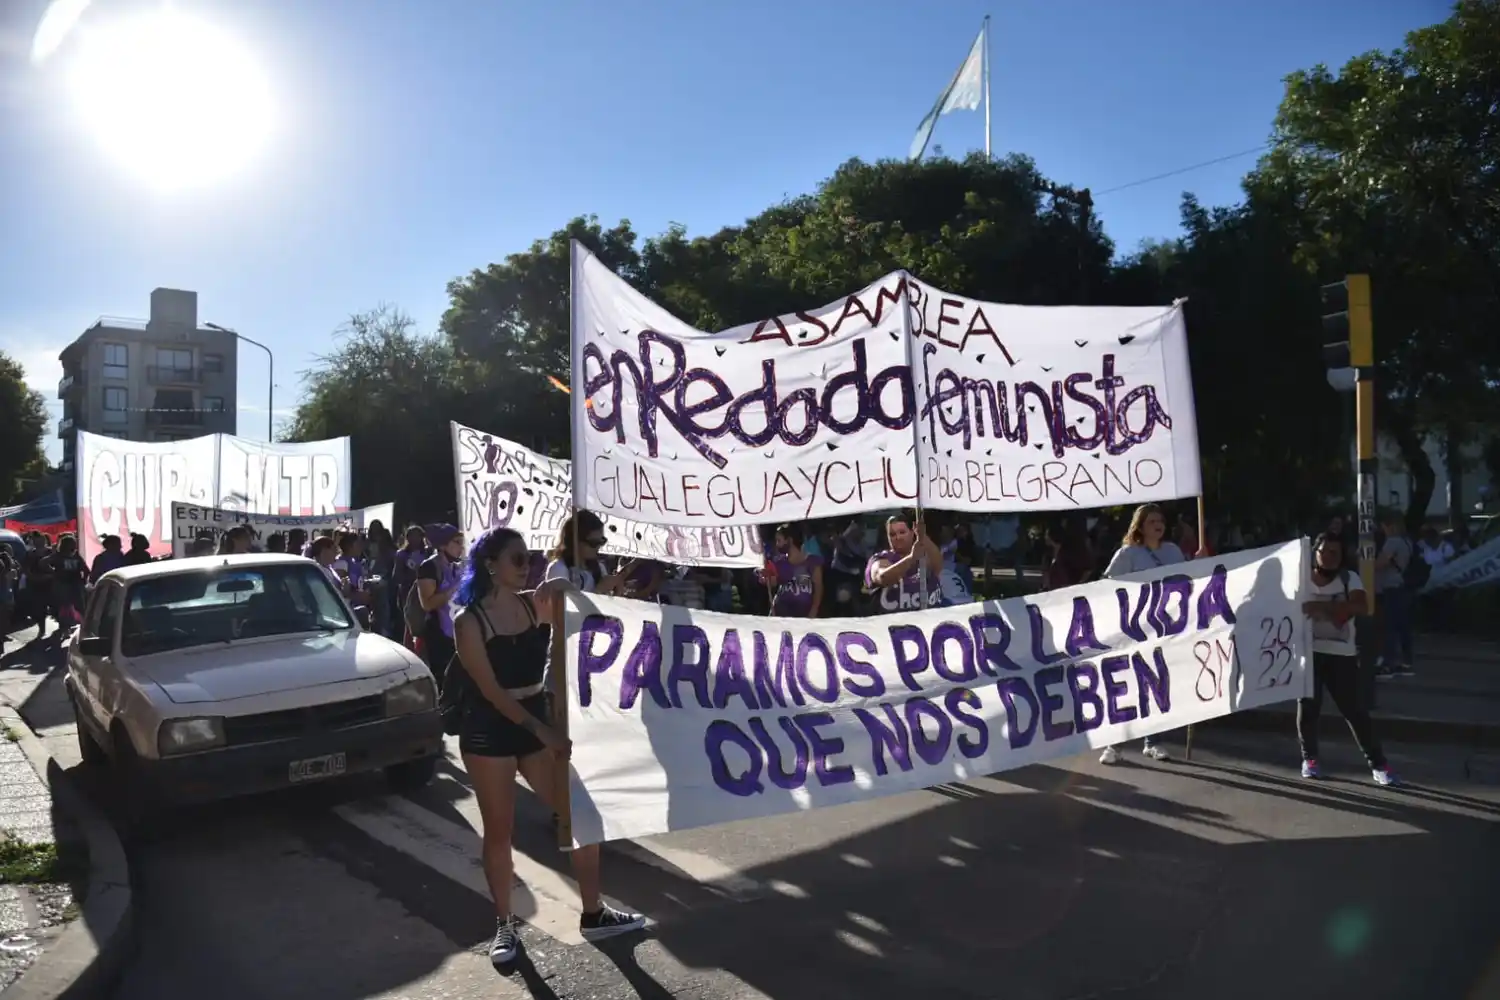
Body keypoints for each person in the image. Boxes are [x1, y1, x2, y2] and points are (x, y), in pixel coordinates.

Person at [451, 527, 646, 965]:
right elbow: (493, 693)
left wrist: (566, 586)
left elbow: (584, 617)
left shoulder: (531, 604)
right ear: (490, 565)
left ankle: (593, 912)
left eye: (529, 559)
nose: (527, 567)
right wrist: (543, 731)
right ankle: (504, 926)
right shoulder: (468, 623)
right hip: (490, 729)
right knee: (500, 831)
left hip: (536, 720)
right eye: (518, 560)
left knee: (580, 814)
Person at [1300, 533, 1400, 786]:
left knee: (1355, 712)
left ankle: (1379, 764)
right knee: (1309, 710)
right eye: (1325, 551)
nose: (1330, 557)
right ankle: (1310, 759)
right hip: (1307, 654)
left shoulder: (1349, 578)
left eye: (1336, 553)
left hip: (1341, 657)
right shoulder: (1299, 578)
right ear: (1315, 552)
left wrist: (1319, 609)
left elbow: (1361, 606)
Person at [1099, 503, 1186, 765]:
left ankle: (1153, 741)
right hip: (1134, 629)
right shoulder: (1128, 554)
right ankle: (1114, 744)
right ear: (1140, 525)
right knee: (1127, 686)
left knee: (1158, 684)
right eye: (1151, 521)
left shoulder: (1173, 551)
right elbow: (1108, 586)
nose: (1158, 524)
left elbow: (1187, 580)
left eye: (1160, 520)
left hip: (1164, 628)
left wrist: (1202, 561)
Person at [864, 509, 946, 613]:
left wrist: (923, 537)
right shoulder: (880, 558)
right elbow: (882, 577)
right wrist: (911, 558)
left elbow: (938, 566)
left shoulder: (924, 556)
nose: (898, 537)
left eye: (902, 532)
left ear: (912, 533)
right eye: (892, 534)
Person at [416, 524, 466, 673]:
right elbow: (427, 603)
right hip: (438, 633)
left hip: (457, 630)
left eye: (462, 543)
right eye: (457, 542)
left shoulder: (456, 566)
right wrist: (455, 589)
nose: (461, 547)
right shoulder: (429, 567)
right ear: (443, 545)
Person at [543, 512, 626, 596]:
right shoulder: (559, 568)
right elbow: (563, 606)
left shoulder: (599, 569)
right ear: (575, 541)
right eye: (593, 543)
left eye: (602, 541)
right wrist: (598, 590)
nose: (598, 547)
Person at [1374, 513, 1414, 678]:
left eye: (1383, 526)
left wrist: (1364, 559)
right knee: (1402, 626)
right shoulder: (1407, 542)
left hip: (1390, 587)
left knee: (1389, 626)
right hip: (1400, 585)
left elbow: (1380, 564)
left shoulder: (1392, 542)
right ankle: (1406, 661)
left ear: (1390, 526)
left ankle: (1388, 663)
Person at [761, 522, 823, 618]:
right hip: (781, 612)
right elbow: (774, 581)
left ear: (789, 540)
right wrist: (765, 578)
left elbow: (818, 588)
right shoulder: (779, 562)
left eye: (779, 540)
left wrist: (814, 610)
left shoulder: (812, 562)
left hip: (803, 613)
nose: (777, 545)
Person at [1041, 521, 1093, 591]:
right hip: (1053, 592)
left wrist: (1078, 585)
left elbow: (1087, 570)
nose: (1045, 537)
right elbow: (1046, 572)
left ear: (1052, 536)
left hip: (1069, 591)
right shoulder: (1048, 554)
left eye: (1046, 535)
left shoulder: (1071, 552)